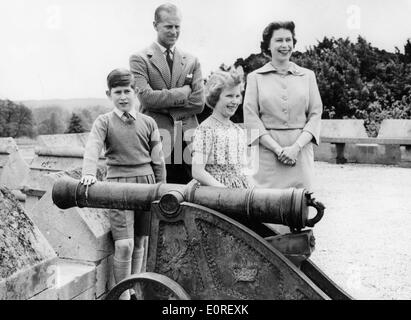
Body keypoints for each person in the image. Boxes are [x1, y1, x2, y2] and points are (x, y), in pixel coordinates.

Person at [80, 68, 166, 299]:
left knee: (140, 242)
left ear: (135, 91)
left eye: (127, 91)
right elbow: (93, 146)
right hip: (118, 186)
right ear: (109, 94)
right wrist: (88, 172)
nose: (123, 96)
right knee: (124, 244)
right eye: (117, 92)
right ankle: (123, 293)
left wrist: (163, 188)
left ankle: (134, 288)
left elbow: (158, 159)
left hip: (147, 186)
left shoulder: (149, 123)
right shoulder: (104, 122)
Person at [243, 21, 322, 233]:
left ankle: (298, 260)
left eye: (288, 40)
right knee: (267, 211)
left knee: (299, 208)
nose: (284, 45)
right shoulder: (255, 78)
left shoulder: (308, 76)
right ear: (268, 45)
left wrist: (295, 148)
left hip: (300, 152)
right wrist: (277, 150)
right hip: (268, 156)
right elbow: (251, 117)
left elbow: (315, 114)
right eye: (278, 40)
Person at [130, 3, 205, 184]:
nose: (173, 31)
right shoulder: (139, 59)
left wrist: (163, 103)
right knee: (160, 195)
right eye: (168, 26)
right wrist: (183, 92)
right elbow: (146, 99)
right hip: (157, 137)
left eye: (177, 26)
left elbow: (199, 103)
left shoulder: (191, 61)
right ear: (155, 25)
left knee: (192, 195)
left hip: (188, 140)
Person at [192, 70, 251, 189]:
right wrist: (226, 191)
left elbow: (244, 168)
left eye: (238, 96)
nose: (235, 101)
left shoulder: (238, 130)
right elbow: (197, 172)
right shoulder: (206, 129)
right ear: (215, 97)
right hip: (216, 194)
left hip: (240, 192)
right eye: (229, 96)